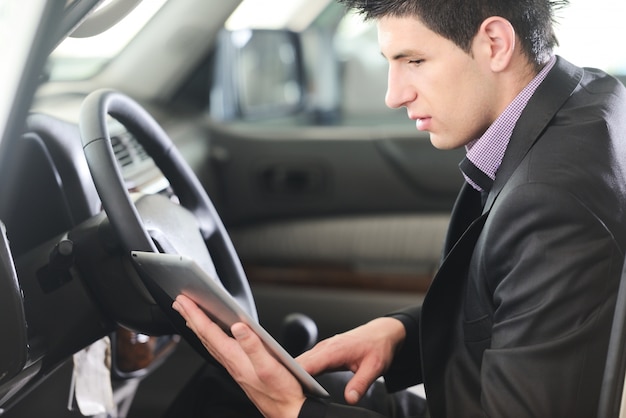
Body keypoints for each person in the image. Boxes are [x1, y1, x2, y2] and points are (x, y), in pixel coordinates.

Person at [172, 0, 626, 416]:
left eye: (414, 61)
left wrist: (294, 411)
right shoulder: (590, 94)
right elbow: (521, 301)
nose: (394, 95)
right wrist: (403, 334)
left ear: (495, 43)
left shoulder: (550, 203)